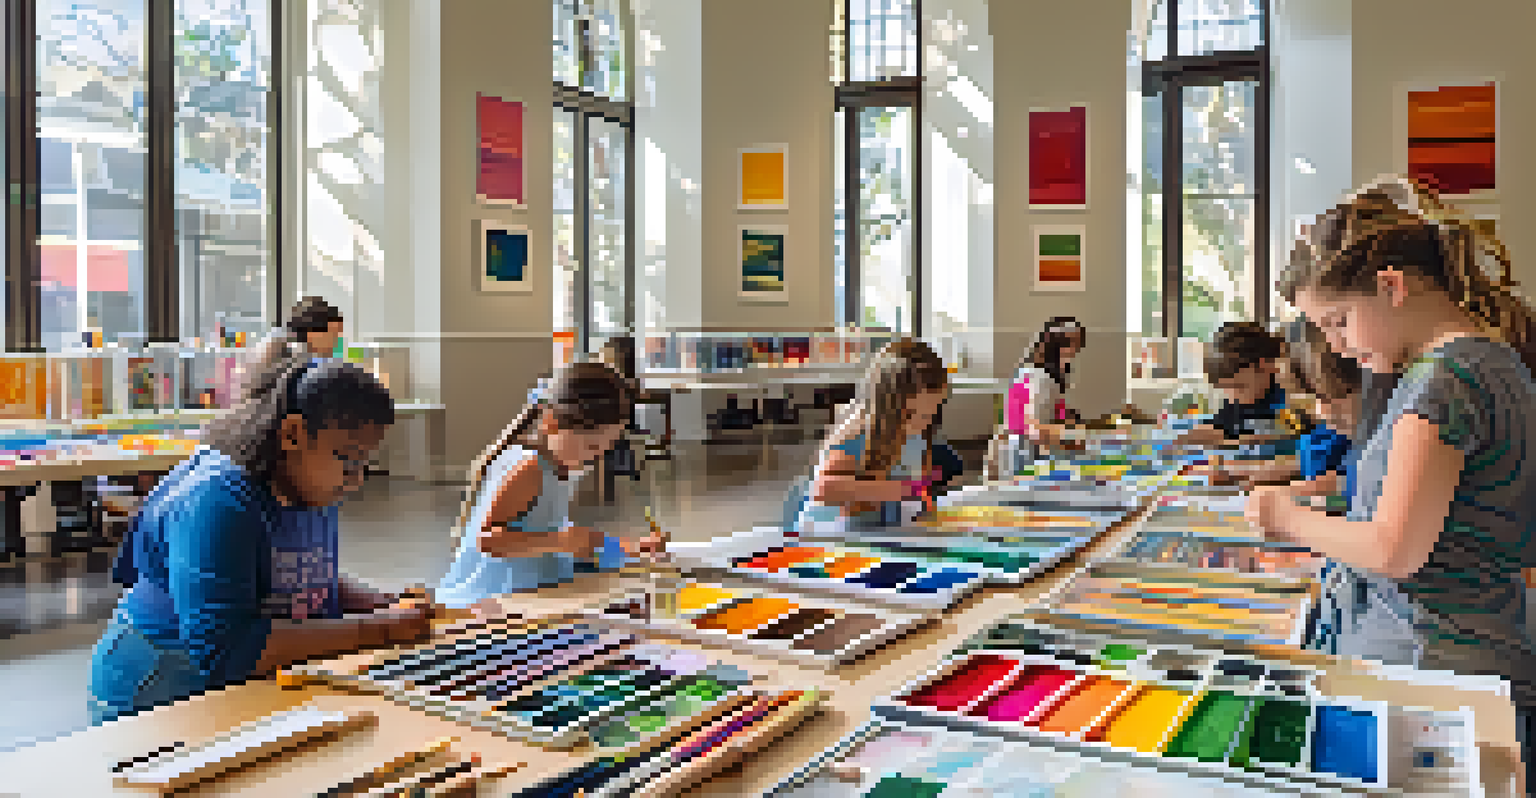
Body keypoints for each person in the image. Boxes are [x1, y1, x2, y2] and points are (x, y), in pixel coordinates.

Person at [1244, 175, 1536, 787]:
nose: (1338, 346)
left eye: (1338, 322)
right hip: (1464, 651)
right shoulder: (1492, 359)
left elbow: (1394, 549)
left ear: (1391, 287)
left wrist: (1286, 517)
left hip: (1433, 664)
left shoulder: (1445, 382)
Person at [89, 355, 425, 724]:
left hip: (235, 687)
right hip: (158, 694)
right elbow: (226, 651)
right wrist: (382, 628)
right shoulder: (218, 499)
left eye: (366, 463)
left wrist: (381, 604)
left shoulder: (310, 484)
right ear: (293, 434)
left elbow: (304, 578)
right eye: (349, 460)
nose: (357, 478)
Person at [436, 361, 665, 610]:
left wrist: (626, 547)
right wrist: (558, 541)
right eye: (591, 447)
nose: (597, 456)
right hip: (495, 599)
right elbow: (489, 540)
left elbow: (545, 526)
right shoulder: (529, 469)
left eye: (605, 448)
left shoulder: (563, 464)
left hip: (534, 591)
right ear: (551, 423)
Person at [792, 339, 951, 533]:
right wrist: (894, 490)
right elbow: (824, 489)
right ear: (885, 404)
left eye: (929, 414)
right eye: (909, 413)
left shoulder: (915, 434)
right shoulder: (858, 432)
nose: (920, 423)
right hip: (828, 537)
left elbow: (916, 486)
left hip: (879, 532)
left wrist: (922, 494)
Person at [1176, 321, 1288, 450]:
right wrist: (1181, 438)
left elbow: (1271, 443)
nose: (1232, 397)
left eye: (1239, 387)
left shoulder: (1285, 403)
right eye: (1225, 389)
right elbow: (1219, 427)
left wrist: (1226, 443)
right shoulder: (1237, 400)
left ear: (1266, 366)